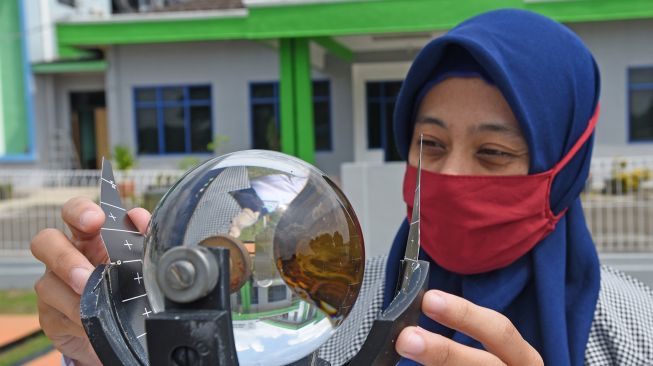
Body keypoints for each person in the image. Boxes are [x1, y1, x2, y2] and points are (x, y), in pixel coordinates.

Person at [31, 9, 653, 366]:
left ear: (565, 166)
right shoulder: (341, 314)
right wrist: (106, 353)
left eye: (493, 152)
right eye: (430, 144)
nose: (450, 176)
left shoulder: (635, 332)